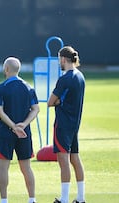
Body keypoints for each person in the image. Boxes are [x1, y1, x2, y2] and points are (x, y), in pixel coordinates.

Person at [0, 57, 39, 203]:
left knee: (3, 168)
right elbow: (36, 109)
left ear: (6, 69)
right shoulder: (29, 87)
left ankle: (4, 200)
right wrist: (23, 125)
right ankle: (32, 199)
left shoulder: (1, 88)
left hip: (6, 132)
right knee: (26, 168)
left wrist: (13, 126)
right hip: (24, 133)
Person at [49, 46, 86, 203]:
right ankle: (81, 197)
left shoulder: (64, 79)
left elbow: (51, 102)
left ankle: (64, 199)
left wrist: (58, 101)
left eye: (59, 60)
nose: (59, 62)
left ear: (63, 59)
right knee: (75, 159)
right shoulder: (80, 76)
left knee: (63, 161)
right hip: (74, 124)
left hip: (63, 124)